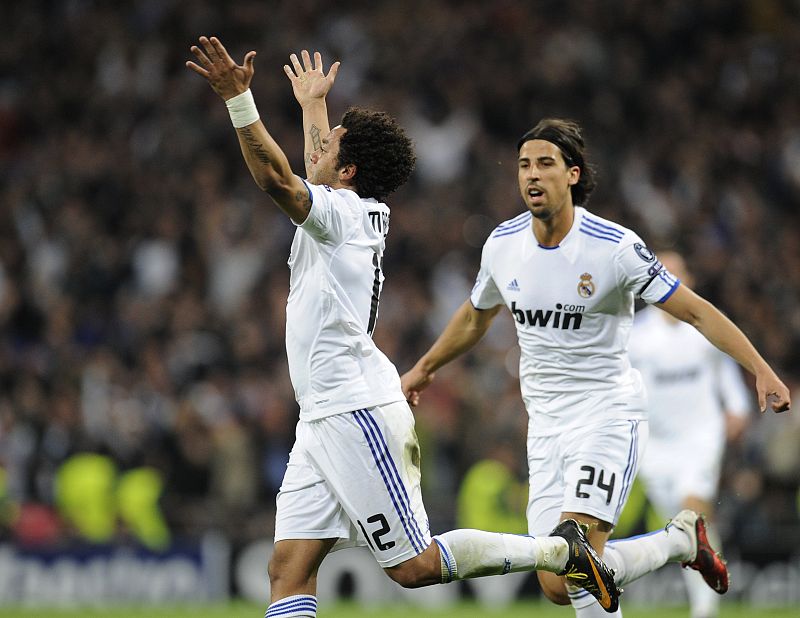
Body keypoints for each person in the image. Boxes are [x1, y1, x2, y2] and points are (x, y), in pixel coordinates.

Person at [187, 39, 620, 618]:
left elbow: (279, 180)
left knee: (412, 566)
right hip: (321, 416)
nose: (319, 145)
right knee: (288, 567)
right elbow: (319, 163)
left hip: (355, 409)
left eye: (332, 141)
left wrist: (241, 101)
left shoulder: (339, 216)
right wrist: (314, 107)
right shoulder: (349, 206)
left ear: (348, 169)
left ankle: (557, 550)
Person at [401, 118, 792, 618]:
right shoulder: (502, 244)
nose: (532, 175)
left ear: (573, 174)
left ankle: (678, 543)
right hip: (545, 429)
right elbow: (476, 315)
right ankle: (679, 542)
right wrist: (424, 368)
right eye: (524, 165)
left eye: (545, 164)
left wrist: (758, 367)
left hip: (607, 417)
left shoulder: (615, 248)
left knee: (578, 560)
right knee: (559, 583)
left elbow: (694, 310)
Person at [627, 251, 751, 618]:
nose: (669, 279)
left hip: (701, 436)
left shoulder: (704, 328)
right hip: (655, 447)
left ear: (689, 280)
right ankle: (711, 574)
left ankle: (704, 608)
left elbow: (728, 377)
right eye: (662, 273)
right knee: (684, 533)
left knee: (692, 511)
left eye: (676, 272)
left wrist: (737, 409)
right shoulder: (635, 336)